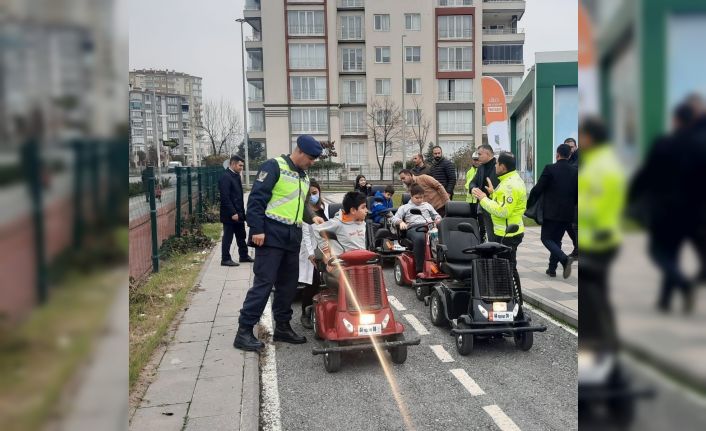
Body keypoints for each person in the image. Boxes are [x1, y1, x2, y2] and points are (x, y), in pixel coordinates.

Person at [233, 135, 322, 352]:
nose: (311, 163)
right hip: (271, 235)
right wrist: (257, 229)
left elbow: (299, 205)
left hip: (292, 236)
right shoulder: (274, 166)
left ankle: (282, 326)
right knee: (264, 283)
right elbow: (256, 199)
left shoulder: (304, 175)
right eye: (310, 158)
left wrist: (313, 217)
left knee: (288, 285)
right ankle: (244, 331)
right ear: (299, 151)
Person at [629, 103, 697, 312]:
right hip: (689, 210)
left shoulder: (664, 143)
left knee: (657, 251)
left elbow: (646, 173)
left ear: (676, 120)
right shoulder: (699, 145)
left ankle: (683, 284)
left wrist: (632, 196)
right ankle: (665, 300)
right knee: (673, 253)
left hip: (663, 208)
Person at [471, 152, 526, 292]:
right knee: (507, 267)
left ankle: (511, 300)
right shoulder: (510, 179)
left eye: (497, 163)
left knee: (506, 269)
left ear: (502, 166)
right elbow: (505, 203)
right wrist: (493, 193)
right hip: (507, 232)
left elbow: (503, 211)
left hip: (508, 234)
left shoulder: (509, 185)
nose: (495, 166)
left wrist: (484, 198)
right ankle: (511, 297)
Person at [527, 144, 578, 279]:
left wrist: (530, 202)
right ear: (570, 155)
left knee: (546, 238)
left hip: (551, 212)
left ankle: (564, 259)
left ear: (557, 155)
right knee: (556, 240)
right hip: (567, 213)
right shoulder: (575, 171)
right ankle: (551, 269)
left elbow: (538, 188)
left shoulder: (550, 169)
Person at [391, 184, 442, 276]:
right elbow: (394, 219)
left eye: (421, 197)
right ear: (411, 196)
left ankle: (442, 264)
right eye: (417, 198)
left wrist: (438, 220)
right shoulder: (404, 207)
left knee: (443, 237)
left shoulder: (427, 205)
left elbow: (437, 216)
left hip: (430, 227)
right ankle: (420, 269)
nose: (419, 200)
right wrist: (401, 222)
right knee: (421, 239)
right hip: (414, 228)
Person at [314, 191, 368, 273]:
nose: (366, 210)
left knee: (376, 273)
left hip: (360, 261)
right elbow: (317, 230)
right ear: (353, 210)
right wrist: (326, 251)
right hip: (343, 263)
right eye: (363, 207)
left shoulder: (363, 223)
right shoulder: (337, 223)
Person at [298, 181, 328, 329]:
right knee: (313, 282)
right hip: (309, 251)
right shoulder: (305, 211)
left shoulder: (324, 207)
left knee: (330, 279)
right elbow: (306, 235)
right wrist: (311, 254)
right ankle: (305, 313)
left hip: (324, 249)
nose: (313, 196)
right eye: (310, 193)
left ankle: (325, 310)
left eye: (315, 193)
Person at [219, 155, 253, 266]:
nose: (241, 167)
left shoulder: (236, 176)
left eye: (242, 165)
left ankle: (243, 256)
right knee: (228, 237)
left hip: (239, 213)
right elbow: (225, 197)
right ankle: (225, 259)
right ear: (233, 164)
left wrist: (242, 213)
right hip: (230, 215)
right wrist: (233, 213)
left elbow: (238, 196)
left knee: (241, 235)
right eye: (240, 165)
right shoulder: (226, 177)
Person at [469, 144, 500, 242]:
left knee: (496, 234)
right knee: (486, 232)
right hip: (483, 205)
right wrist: (473, 188)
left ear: (488, 153)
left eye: (480, 154)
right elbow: (473, 182)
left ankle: (497, 253)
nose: (478, 157)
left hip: (496, 205)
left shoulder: (498, 167)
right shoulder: (481, 168)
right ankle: (489, 252)